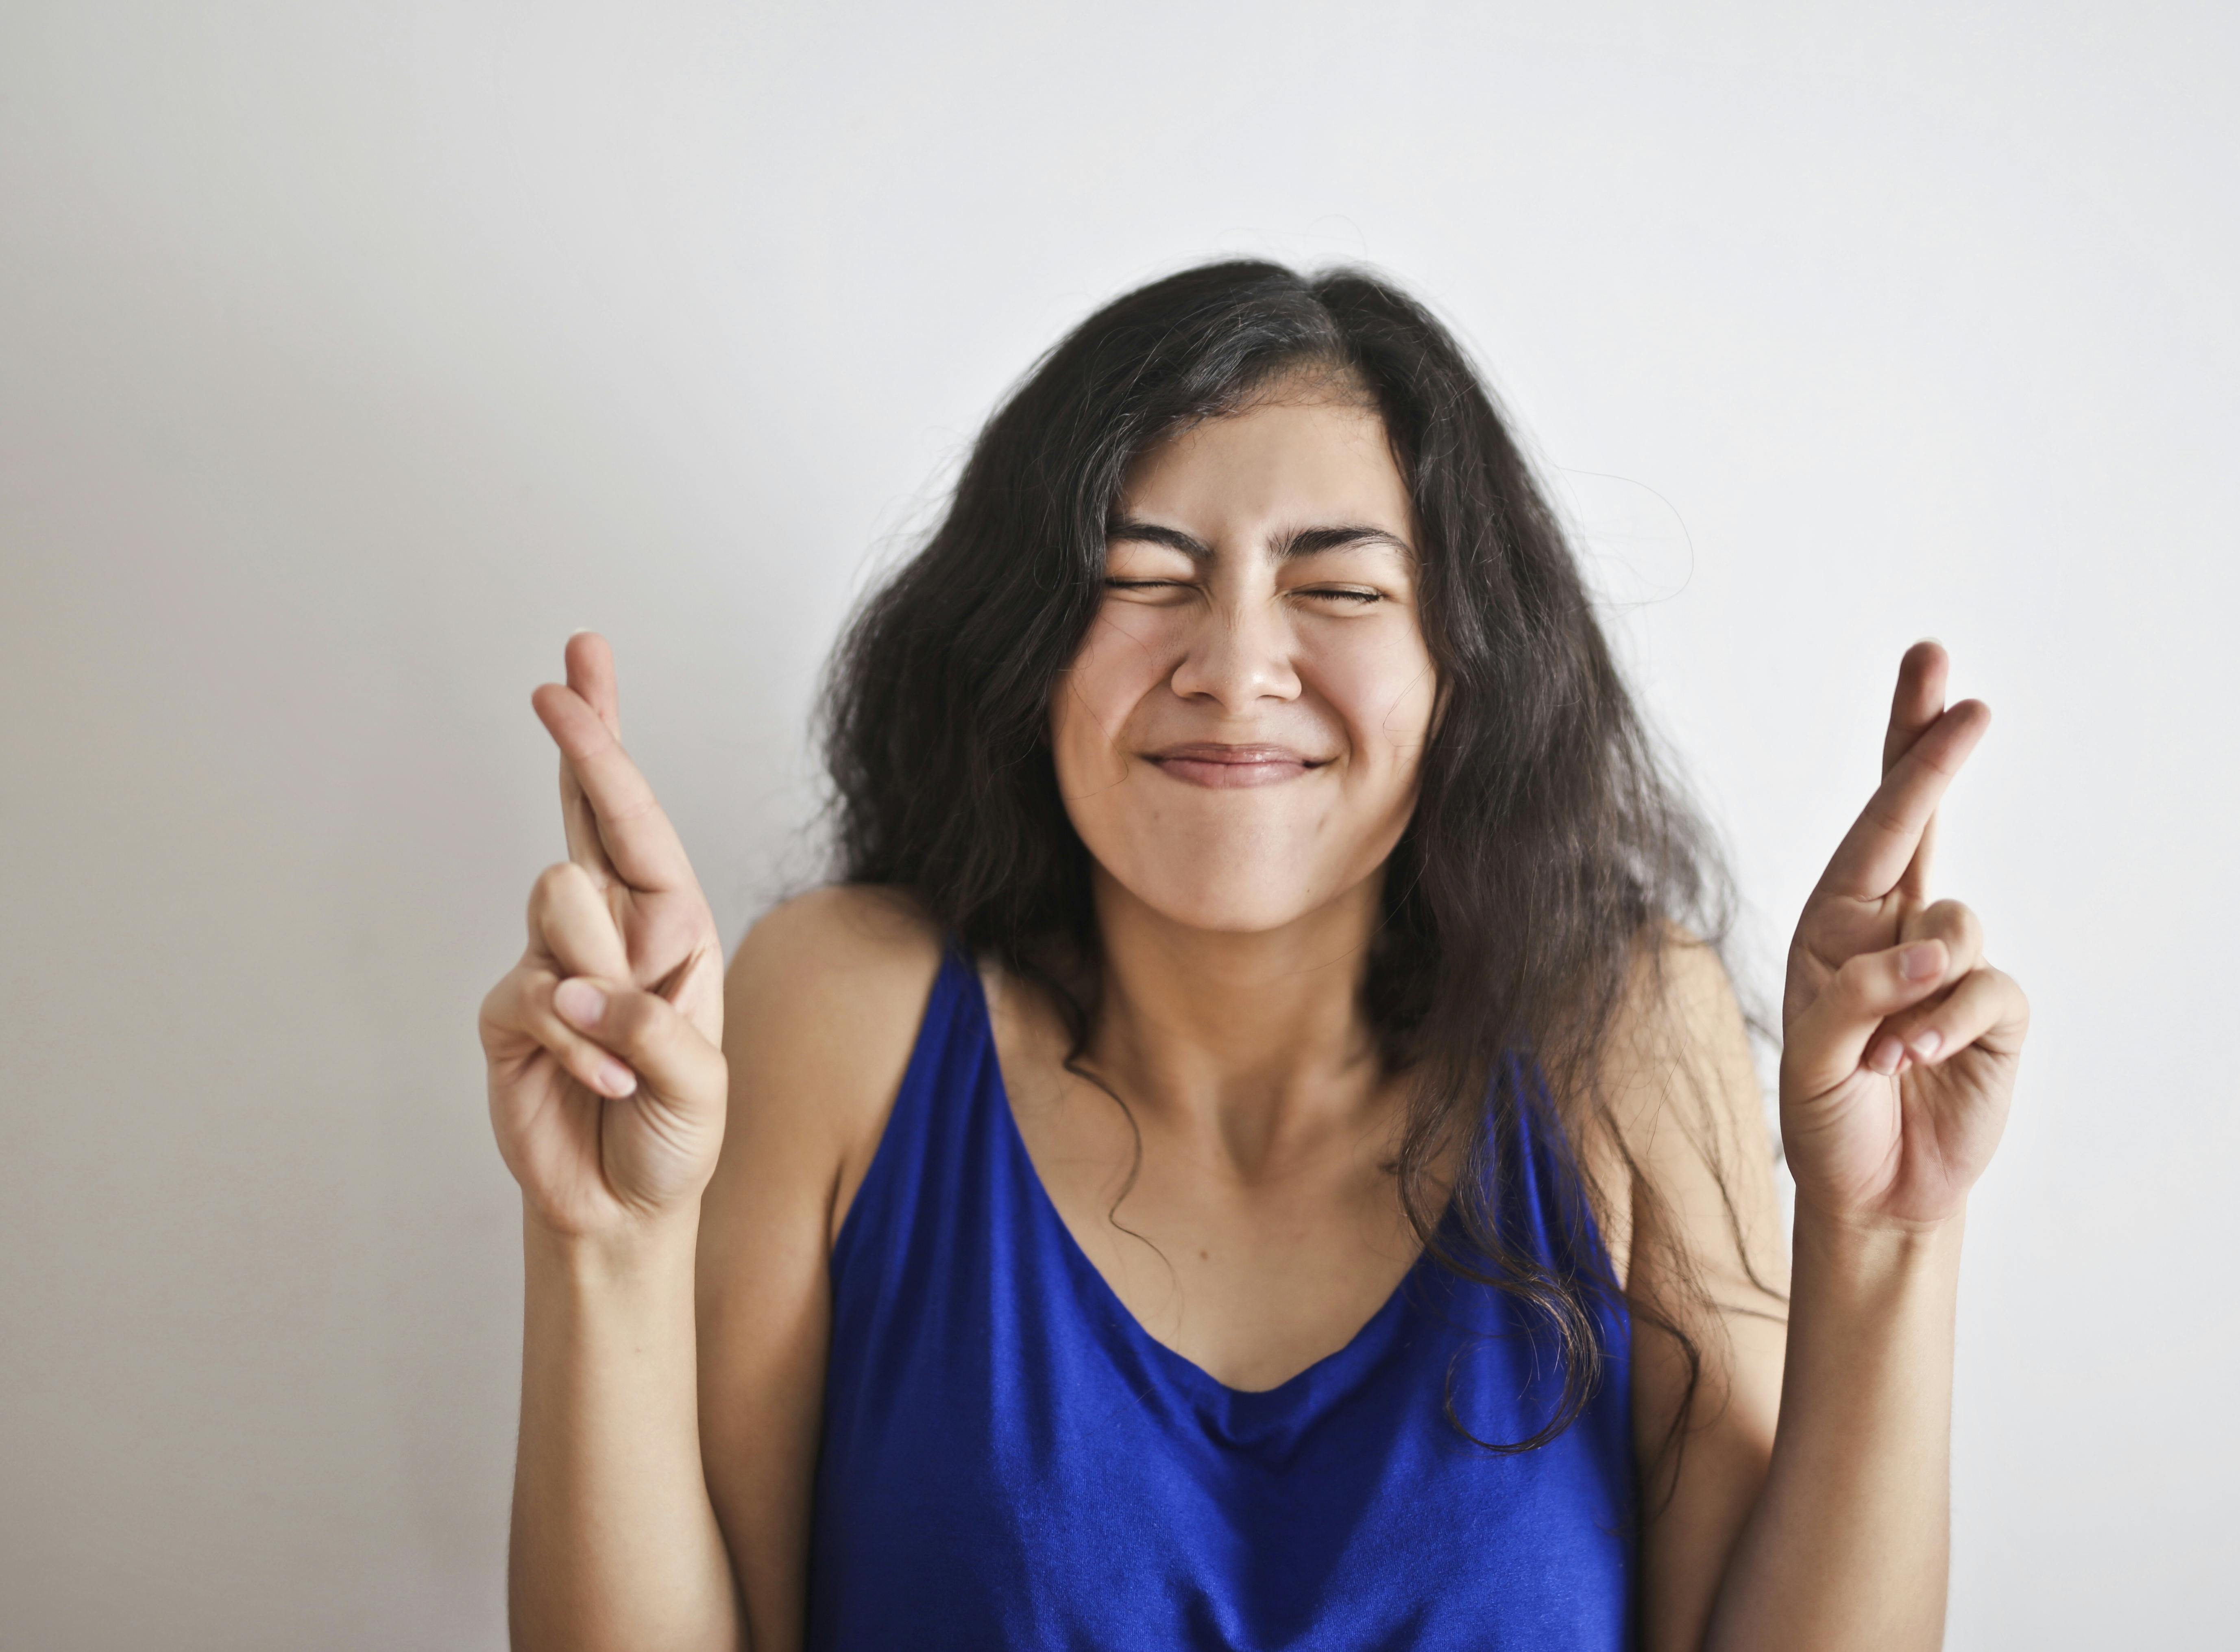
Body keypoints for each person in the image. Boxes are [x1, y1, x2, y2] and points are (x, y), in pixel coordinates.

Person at [479, 261, 2029, 1652]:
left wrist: (1886, 1236)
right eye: (1141, 576)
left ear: (1463, 665)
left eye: (1339, 588)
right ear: (1024, 647)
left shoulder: (1621, 1029)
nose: (1231, 668)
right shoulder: (843, 1007)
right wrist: (601, 1248)